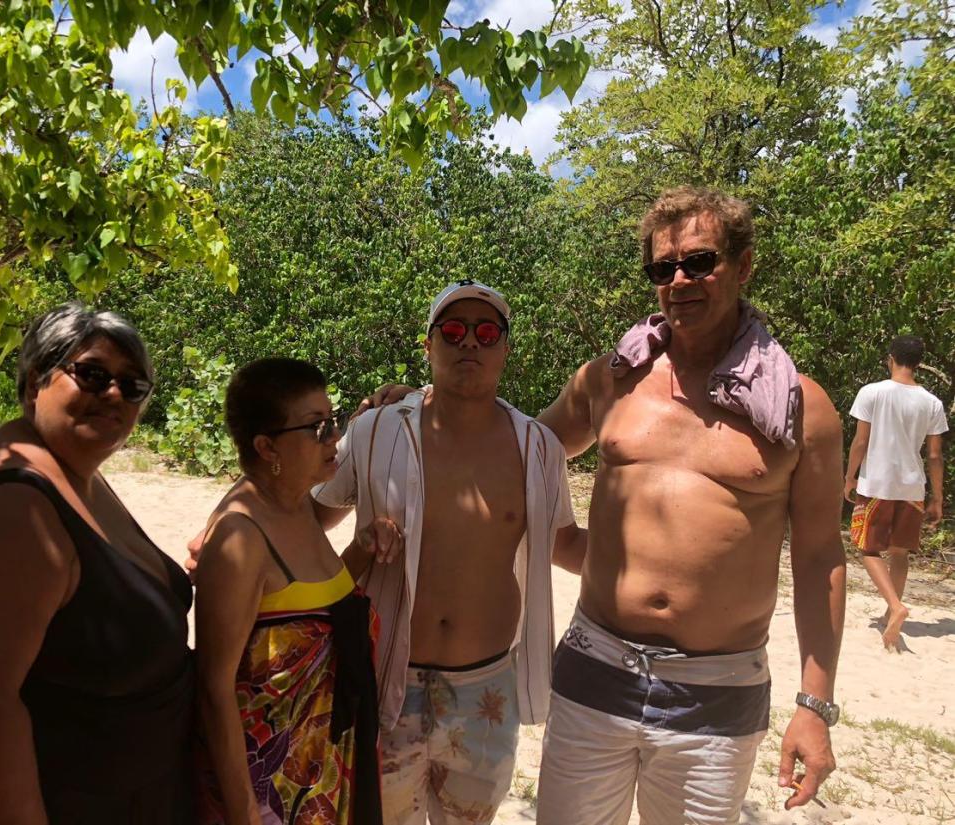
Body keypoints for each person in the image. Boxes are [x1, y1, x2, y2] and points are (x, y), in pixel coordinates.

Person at [532, 186, 847, 823]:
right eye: (663, 268)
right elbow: (521, 451)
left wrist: (814, 707)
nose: (679, 280)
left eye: (700, 262)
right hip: (595, 668)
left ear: (743, 264)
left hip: (717, 695)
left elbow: (819, 558)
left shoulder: (802, 409)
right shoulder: (608, 381)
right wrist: (425, 407)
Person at [0, 304, 195, 824]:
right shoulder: (11, 508)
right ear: (35, 382)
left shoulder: (73, 471)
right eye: (92, 374)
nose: (114, 394)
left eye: (133, 386)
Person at [312, 281, 586, 825]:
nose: (470, 343)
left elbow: (565, 544)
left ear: (505, 348)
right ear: (429, 345)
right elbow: (305, 520)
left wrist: (657, 560)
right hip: (386, 681)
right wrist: (241, 529)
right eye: (454, 330)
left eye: (487, 332)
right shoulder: (374, 431)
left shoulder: (538, 449)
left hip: (486, 691)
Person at [193, 358, 401, 825]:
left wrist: (362, 548)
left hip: (319, 773)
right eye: (317, 427)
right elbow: (213, 687)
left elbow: (318, 609)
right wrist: (244, 812)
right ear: (267, 446)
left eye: (334, 420)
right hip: (268, 790)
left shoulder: (296, 504)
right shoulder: (241, 537)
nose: (334, 438)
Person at [844, 335, 948, 650]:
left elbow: (861, 442)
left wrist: (849, 477)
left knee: (868, 550)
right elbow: (934, 455)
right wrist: (937, 497)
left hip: (877, 483)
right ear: (918, 364)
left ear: (891, 359)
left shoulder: (872, 392)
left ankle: (895, 606)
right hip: (912, 486)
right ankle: (891, 611)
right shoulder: (932, 402)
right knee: (899, 552)